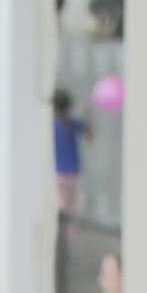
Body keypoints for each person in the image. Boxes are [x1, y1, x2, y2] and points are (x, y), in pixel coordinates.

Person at [51, 88, 89, 216]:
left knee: (61, 203)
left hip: (58, 170)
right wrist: (88, 115)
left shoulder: (54, 124)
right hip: (71, 170)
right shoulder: (72, 123)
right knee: (71, 206)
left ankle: (62, 230)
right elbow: (90, 134)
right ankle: (68, 233)